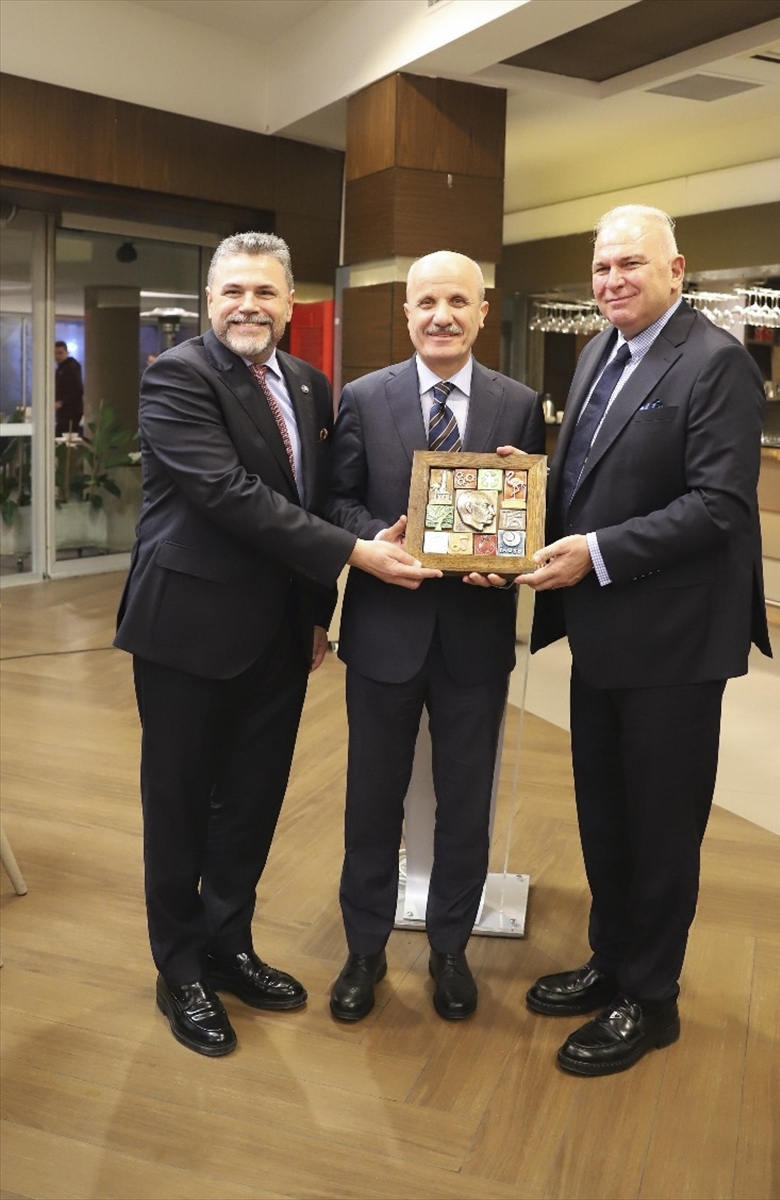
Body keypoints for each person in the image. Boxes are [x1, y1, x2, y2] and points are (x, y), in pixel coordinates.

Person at [114, 232, 437, 1057]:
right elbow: (229, 495)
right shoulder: (177, 376)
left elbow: (314, 498)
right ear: (209, 301)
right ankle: (179, 969)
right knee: (180, 805)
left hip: (280, 634)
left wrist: (321, 604)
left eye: (264, 292)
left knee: (251, 803)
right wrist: (356, 554)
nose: (248, 306)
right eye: (232, 292)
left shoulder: (307, 382)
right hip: (186, 632)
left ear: (291, 303)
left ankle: (229, 947)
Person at [516, 205, 771, 1076]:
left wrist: (593, 553)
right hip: (602, 635)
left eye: (629, 263)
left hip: (675, 641)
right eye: (600, 268)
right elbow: (589, 477)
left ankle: (651, 999)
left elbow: (718, 505)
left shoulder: (715, 362)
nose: (612, 280)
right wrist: (520, 509)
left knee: (661, 827)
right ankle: (612, 959)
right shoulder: (598, 352)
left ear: (675, 269)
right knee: (606, 814)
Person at [325, 250, 544, 1023]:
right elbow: (336, 500)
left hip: (475, 638)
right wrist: (371, 540)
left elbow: (527, 515)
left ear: (482, 312)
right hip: (383, 632)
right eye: (426, 303)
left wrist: (511, 556)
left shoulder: (518, 404)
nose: (441, 316)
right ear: (407, 313)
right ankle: (364, 949)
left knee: (465, 802)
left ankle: (450, 948)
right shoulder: (363, 397)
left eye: (457, 301)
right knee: (370, 802)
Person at [54, 341, 84, 436]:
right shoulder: (60, 369)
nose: (57, 356)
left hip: (71, 410)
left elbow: (77, 389)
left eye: (60, 353)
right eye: (55, 353)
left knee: (64, 435)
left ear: (67, 352)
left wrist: (62, 402)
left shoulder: (71, 367)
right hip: (63, 411)